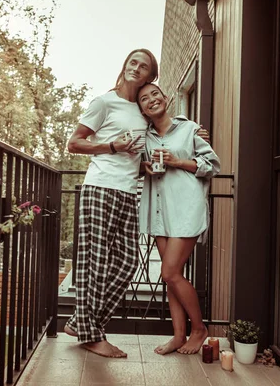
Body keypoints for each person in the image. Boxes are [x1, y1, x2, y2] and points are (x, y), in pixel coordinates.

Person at [64, 49, 159, 358]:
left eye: (143, 66)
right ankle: (92, 335)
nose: (136, 68)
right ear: (125, 66)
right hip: (100, 188)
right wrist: (111, 146)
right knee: (94, 263)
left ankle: (81, 322)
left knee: (129, 260)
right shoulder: (104, 102)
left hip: (129, 191)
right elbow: (74, 143)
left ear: (149, 76)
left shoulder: (142, 111)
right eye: (133, 62)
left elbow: (161, 127)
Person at [137, 83, 220, 355]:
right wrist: (144, 166)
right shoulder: (144, 137)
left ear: (166, 98)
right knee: (173, 277)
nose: (151, 100)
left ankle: (199, 329)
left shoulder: (190, 129)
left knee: (170, 272)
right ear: (141, 109)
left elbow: (212, 165)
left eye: (155, 95)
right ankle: (178, 335)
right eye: (144, 99)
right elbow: (132, 163)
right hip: (160, 212)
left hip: (185, 209)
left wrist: (178, 161)